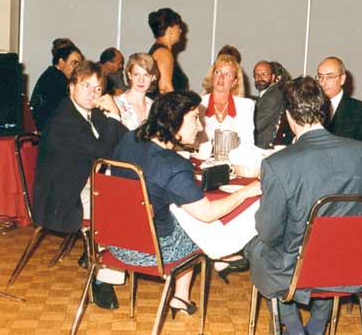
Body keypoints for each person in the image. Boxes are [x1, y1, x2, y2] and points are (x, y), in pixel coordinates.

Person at [245, 76, 362, 335]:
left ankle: (293, 326)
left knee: (258, 246)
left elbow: (269, 232)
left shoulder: (277, 164)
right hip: (355, 264)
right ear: (326, 112)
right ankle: (317, 325)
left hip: (300, 271)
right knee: (329, 243)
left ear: (289, 116)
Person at [110, 92, 260, 317]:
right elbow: (208, 213)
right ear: (173, 120)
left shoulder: (129, 139)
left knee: (178, 212)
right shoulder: (174, 166)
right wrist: (247, 191)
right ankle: (220, 258)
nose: (200, 127)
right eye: (194, 119)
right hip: (149, 250)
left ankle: (183, 295)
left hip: (114, 238)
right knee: (200, 226)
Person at [32, 60, 128, 309]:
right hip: (63, 196)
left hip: (84, 183)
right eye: (86, 86)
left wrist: (113, 118)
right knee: (119, 210)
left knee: (126, 196)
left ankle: (96, 253)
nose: (92, 93)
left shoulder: (91, 114)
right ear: (71, 87)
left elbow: (123, 143)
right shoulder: (64, 119)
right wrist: (115, 114)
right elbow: (103, 151)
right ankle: (102, 278)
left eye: (98, 89)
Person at [316, 56, 362, 147]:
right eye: (320, 77)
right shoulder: (310, 106)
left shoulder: (361, 111)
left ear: (342, 79)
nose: (322, 83)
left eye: (329, 77)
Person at [199, 54, 255, 146]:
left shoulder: (246, 106)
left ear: (234, 82)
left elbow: (248, 142)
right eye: (218, 72)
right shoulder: (199, 103)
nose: (221, 77)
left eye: (227, 74)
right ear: (212, 76)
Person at [31, 41, 83, 130]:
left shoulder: (51, 74)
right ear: (61, 62)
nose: (77, 69)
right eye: (74, 63)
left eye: (79, 65)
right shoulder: (57, 80)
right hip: (50, 131)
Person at [114, 53, 158, 130]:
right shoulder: (117, 104)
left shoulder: (155, 107)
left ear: (153, 77)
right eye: (136, 74)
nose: (141, 80)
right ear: (130, 75)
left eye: (146, 75)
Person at [148, 7, 184, 97]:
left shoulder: (158, 50)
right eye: (178, 27)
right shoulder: (164, 54)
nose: (180, 31)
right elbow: (165, 88)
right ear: (170, 30)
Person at [253, 60, 285, 149]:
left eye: (264, 74)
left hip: (262, 148)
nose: (259, 78)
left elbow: (256, 126)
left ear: (273, 77)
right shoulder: (266, 94)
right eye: (256, 75)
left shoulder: (272, 97)